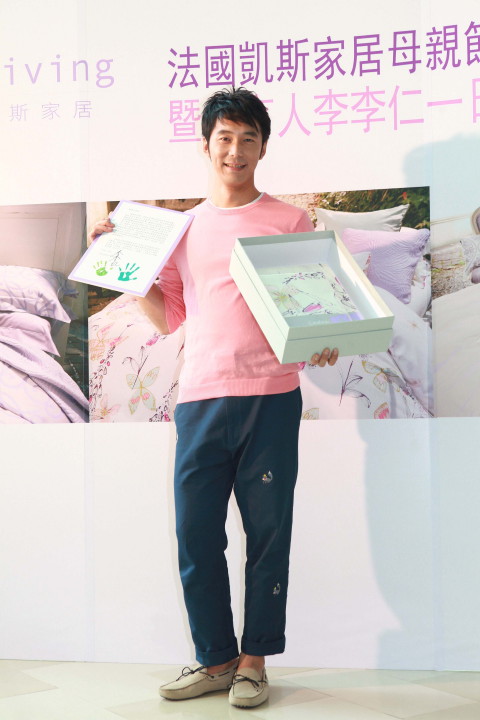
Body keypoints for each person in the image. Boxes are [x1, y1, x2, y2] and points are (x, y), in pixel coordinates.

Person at [91, 87, 338, 709]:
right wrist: (123, 263)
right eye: (224, 138)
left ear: (263, 147)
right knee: (195, 534)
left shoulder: (290, 221)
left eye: (248, 138)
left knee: (268, 533)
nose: (235, 150)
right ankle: (216, 660)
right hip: (200, 397)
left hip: (271, 396)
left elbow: (311, 302)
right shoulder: (184, 229)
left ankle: (254, 662)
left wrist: (323, 339)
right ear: (206, 146)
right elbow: (168, 316)